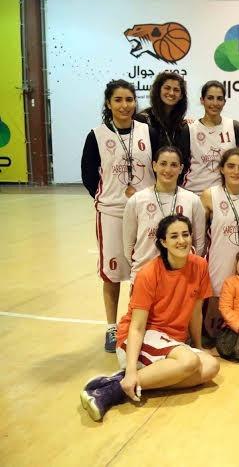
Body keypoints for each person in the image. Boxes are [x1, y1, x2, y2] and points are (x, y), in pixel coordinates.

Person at [80, 214, 218, 422]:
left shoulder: (199, 266)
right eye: (174, 236)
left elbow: (195, 312)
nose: (182, 240)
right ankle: (112, 391)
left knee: (210, 367)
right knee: (189, 362)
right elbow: (137, 327)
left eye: (185, 234)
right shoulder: (149, 273)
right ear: (163, 242)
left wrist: (198, 345)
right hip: (139, 337)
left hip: (171, 342)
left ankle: (119, 380)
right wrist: (131, 369)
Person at [81, 79, 158, 352]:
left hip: (146, 211)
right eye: (118, 100)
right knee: (112, 274)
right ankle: (112, 327)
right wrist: (107, 198)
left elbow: (159, 165)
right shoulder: (97, 135)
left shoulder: (148, 131)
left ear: (135, 102)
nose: (124, 105)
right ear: (108, 103)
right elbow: (88, 175)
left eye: (129, 99)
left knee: (146, 272)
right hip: (112, 213)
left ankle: (140, 323)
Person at [200, 147, 239, 336]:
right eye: (231, 166)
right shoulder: (209, 195)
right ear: (221, 169)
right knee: (217, 311)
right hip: (221, 260)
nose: (236, 171)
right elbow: (200, 234)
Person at [123, 146, 205, 283]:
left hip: (181, 277)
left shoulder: (192, 200)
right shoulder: (137, 200)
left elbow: (199, 244)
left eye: (174, 165)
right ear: (154, 166)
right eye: (163, 164)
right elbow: (128, 246)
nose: (168, 170)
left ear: (181, 168)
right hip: (144, 276)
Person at [181, 81, 239, 195]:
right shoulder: (189, 129)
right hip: (194, 193)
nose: (215, 103)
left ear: (224, 102)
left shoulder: (234, 127)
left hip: (224, 194)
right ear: (202, 100)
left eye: (219, 99)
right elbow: (182, 165)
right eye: (210, 98)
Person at [135, 71, 189, 159]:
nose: (171, 93)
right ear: (158, 90)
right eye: (167, 88)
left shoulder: (182, 125)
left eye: (176, 90)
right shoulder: (142, 120)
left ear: (181, 96)